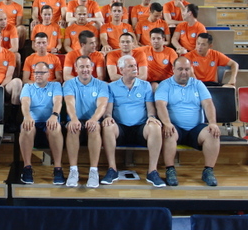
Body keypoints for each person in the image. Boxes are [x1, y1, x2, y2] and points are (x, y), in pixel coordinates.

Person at [100, 55, 165, 187]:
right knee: (107, 125)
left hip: (141, 128)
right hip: (120, 128)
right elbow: (108, 110)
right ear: (121, 70)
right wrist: (108, 117)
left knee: (155, 126)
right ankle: (112, 169)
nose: (135, 68)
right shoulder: (111, 87)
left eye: (135, 65)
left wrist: (152, 117)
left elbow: (150, 109)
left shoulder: (145, 86)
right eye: (130, 66)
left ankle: (152, 171)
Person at [155, 56, 221, 187]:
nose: (184, 72)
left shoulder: (198, 84)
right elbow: (160, 105)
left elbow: (208, 104)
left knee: (213, 133)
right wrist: (167, 123)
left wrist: (212, 122)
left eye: (187, 69)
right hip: (175, 127)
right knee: (168, 132)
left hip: (196, 128)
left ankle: (208, 171)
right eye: (180, 69)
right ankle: (170, 170)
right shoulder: (165, 85)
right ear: (173, 69)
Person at [63, 55, 109, 188]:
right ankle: (73, 170)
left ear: (92, 68)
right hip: (75, 118)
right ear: (76, 68)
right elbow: (70, 103)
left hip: (92, 118)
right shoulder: (69, 84)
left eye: (87, 66)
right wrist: (73, 118)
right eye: (82, 67)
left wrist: (94, 119)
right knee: (73, 127)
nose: (85, 70)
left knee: (95, 128)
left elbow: (102, 105)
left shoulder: (101, 85)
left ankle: (93, 171)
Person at [19, 61, 65, 185]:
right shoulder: (28, 87)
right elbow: (25, 103)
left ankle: (58, 168)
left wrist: (54, 115)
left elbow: (58, 101)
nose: (38, 75)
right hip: (33, 121)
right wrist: (27, 116)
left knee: (54, 127)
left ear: (48, 74)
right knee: (26, 127)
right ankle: (27, 167)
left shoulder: (55, 85)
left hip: (49, 120)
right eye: (36, 72)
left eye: (41, 72)